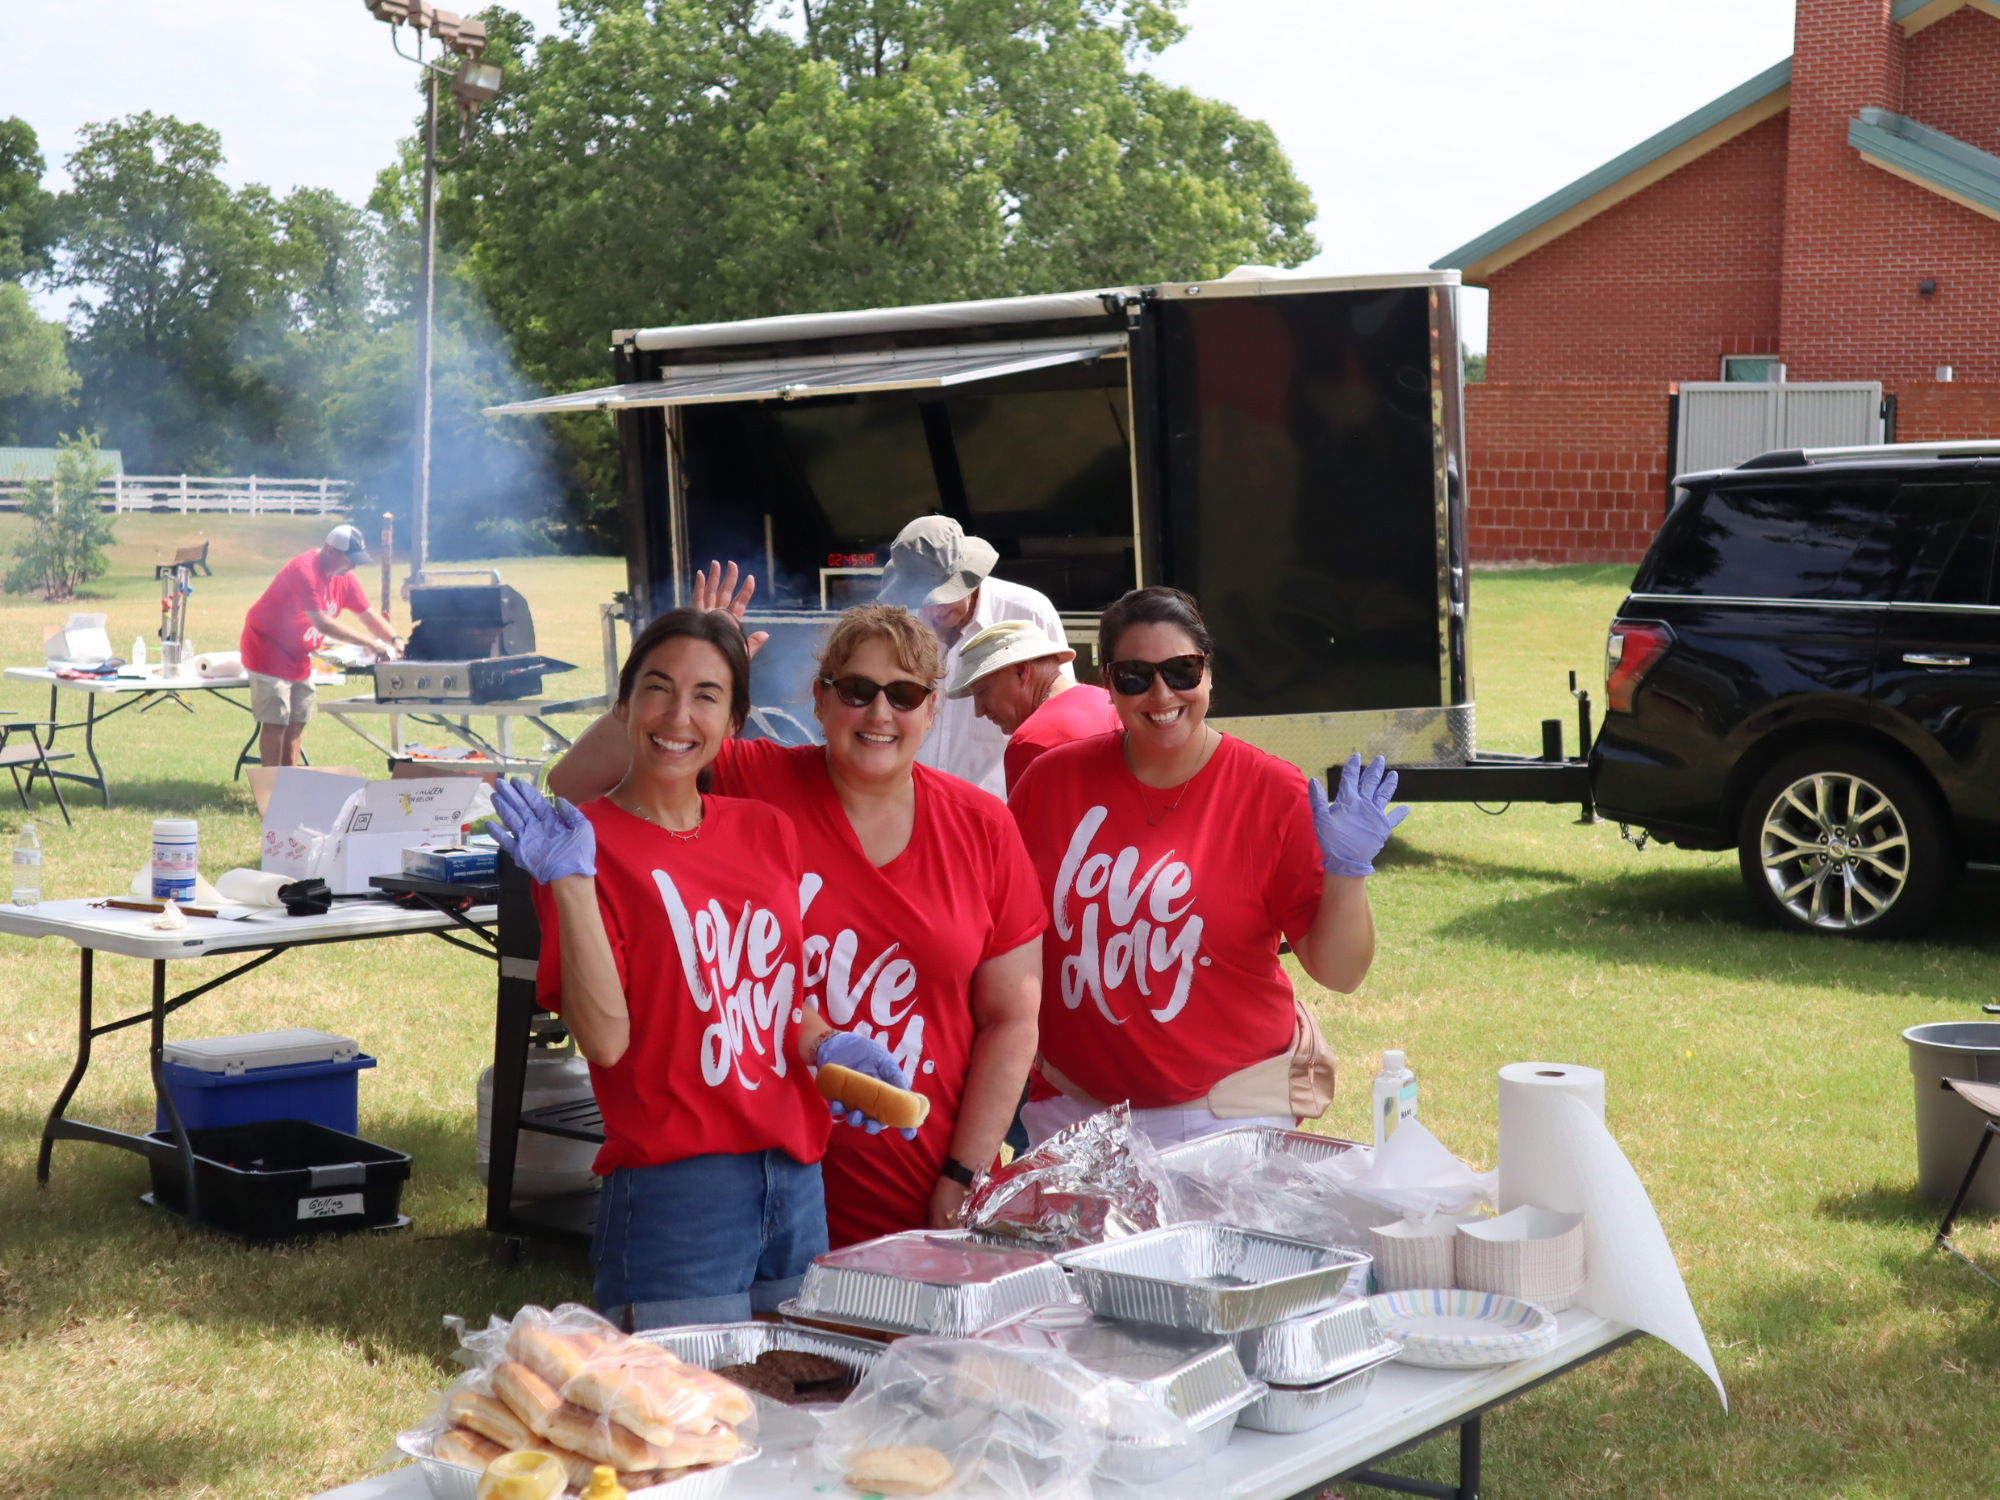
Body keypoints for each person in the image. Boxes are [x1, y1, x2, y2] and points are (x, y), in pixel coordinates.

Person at [551, 591, 1047, 1247]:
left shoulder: (982, 826)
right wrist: (700, 659)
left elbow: (1012, 1016)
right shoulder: (754, 782)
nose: (878, 712)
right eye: (857, 689)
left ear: (931, 708)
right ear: (819, 697)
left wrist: (964, 1172)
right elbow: (578, 783)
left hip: (922, 1190)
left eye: (903, 694)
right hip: (755, 1188)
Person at [489, 607, 910, 1328]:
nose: (678, 715)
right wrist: (570, 884)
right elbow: (606, 1041)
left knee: (798, 1408)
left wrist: (823, 1044)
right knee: (683, 1428)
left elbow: (773, 996)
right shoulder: (581, 849)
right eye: (657, 688)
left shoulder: (765, 829)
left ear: (736, 720)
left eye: (707, 695)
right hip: (675, 1191)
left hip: (797, 1179)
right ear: (624, 706)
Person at [1007, 586, 1410, 1149]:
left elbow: (1340, 972)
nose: (1161, 693)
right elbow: (1000, 942)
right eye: (1134, 676)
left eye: (1181, 670)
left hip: (1227, 1117)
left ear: (1208, 674)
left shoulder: (1270, 790)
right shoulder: (1050, 783)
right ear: (1108, 686)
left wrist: (1347, 868)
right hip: (1075, 1113)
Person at [875, 516, 1069, 800]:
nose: (932, 612)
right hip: (912, 804)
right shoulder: (900, 621)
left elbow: (1060, 719)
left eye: (942, 597)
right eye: (922, 600)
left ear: (968, 575)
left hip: (1001, 811)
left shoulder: (1030, 612)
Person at [240, 524, 402, 767]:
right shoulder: (304, 571)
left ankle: (289, 783)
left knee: (297, 721)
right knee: (276, 721)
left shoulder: (344, 578)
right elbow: (322, 623)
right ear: (330, 551)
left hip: (298, 654)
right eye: (350, 560)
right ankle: (272, 790)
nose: (354, 566)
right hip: (267, 649)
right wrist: (369, 642)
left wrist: (395, 640)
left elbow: (367, 615)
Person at [944, 619, 1121, 797]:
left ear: (1021, 671)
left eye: (983, 691)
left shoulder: (1030, 742)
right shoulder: (1113, 703)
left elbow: (1031, 825)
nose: (979, 711)